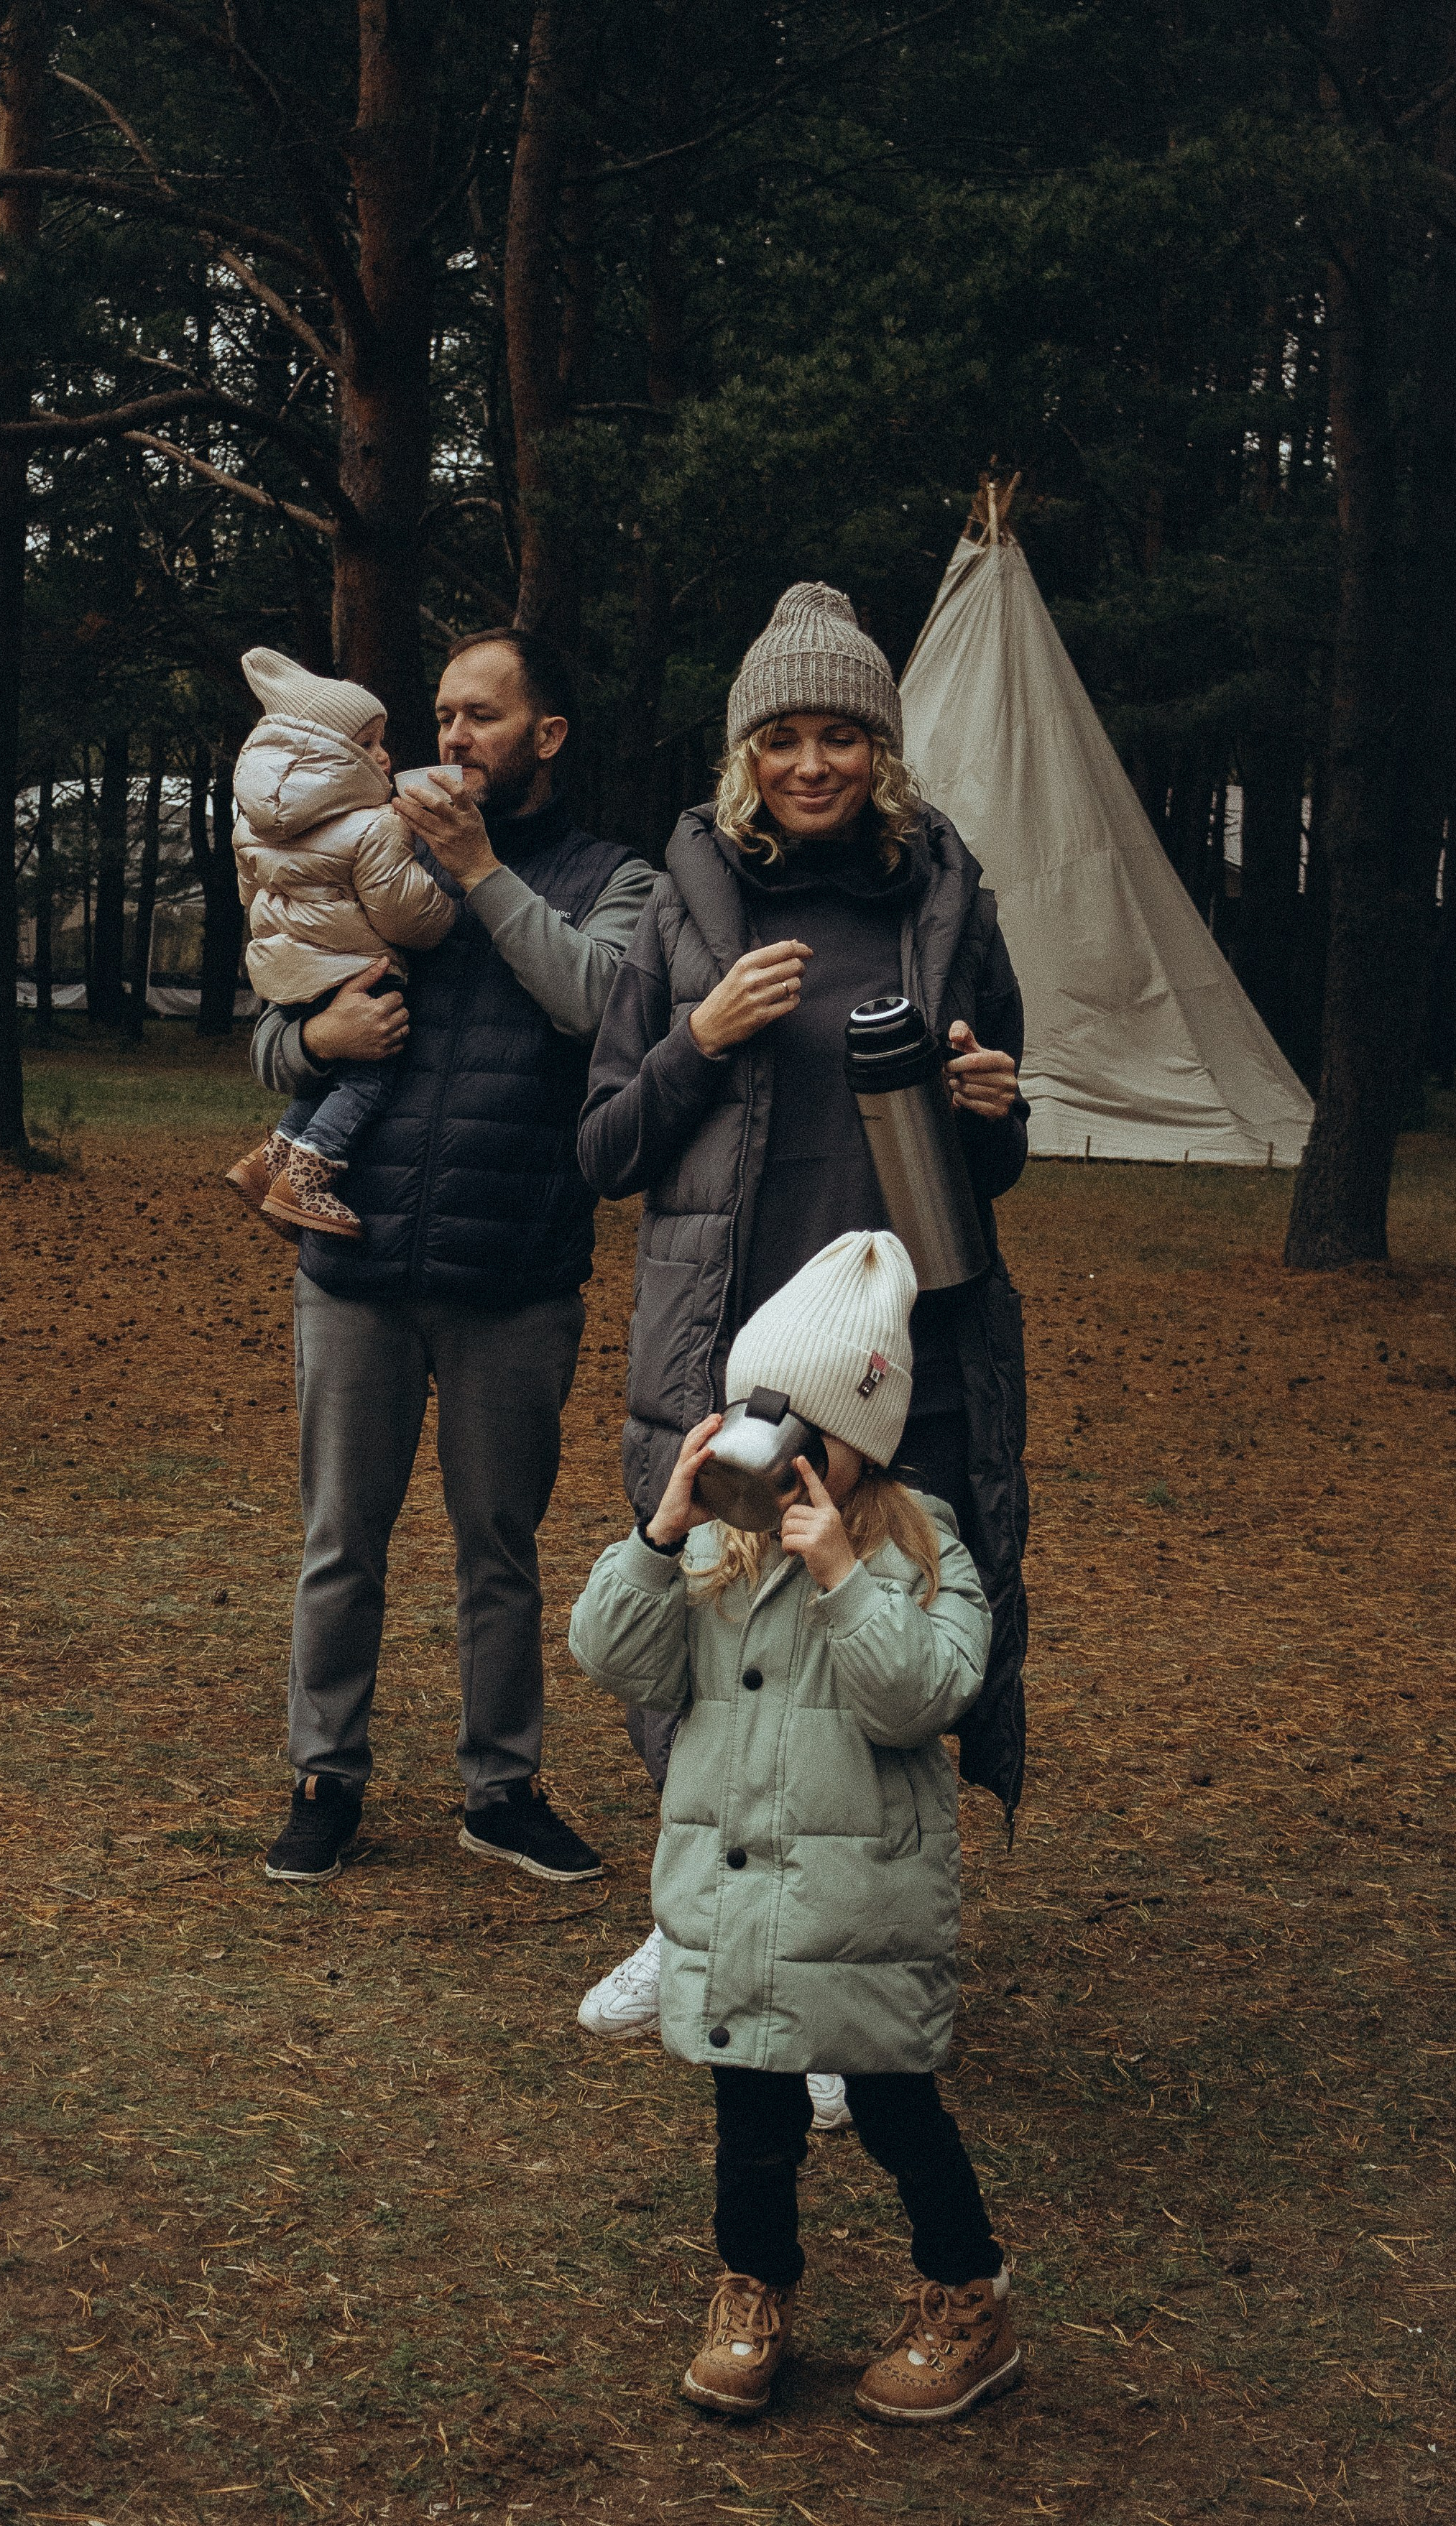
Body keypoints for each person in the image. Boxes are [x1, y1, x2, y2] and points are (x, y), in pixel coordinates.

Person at [573, 581, 1031, 2082]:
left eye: (842, 734)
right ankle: (695, 1926)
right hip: (727, 1337)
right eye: (783, 736)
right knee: (714, 1633)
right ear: (743, 753)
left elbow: (1000, 1148)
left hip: (904, 1352)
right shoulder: (687, 910)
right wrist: (698, 1040)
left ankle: (834, 1978)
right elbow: (606, 1147)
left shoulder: (943, 902)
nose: (812, 763)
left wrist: (995, 1107)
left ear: (882, 753)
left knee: (860, 1625)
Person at [568, 1232, 1022, 2423]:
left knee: (894, 2111)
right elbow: (610, 1658)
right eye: (746, 1415)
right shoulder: (716, 1545)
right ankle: (750, 2289)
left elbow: (924, 1695)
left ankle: (967, 2299)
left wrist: (840, 1579)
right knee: (750, 2120)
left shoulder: (919, 1549)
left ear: (852, 1439)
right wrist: (659, 1535)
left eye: (788, 1423)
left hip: (859, 1914)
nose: (762, 1446)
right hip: (738, 1896)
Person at [252, 628, 656, 1889]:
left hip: (515, 1274)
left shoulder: (613, 877)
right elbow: (268, 1051)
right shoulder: (365, 858)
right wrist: (321, 1033)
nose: (450, 738)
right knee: (340, 1540)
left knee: (500, 1548)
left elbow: (602, 1007)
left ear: (546, 736)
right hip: (353, 1269)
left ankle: (501, 1787)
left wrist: (479, 872)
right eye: (439, 715)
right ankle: (326, 1777)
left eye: (481, 715)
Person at [223, 649, 459, 1239]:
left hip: (287, 973)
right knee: (370, 1077)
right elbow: (406, 918)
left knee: (336, 1073)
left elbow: (250, 895)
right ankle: (308, 1178)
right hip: (356, 966)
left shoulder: (249, 824)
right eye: (369, 743)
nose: (385, 756)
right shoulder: (375, 823)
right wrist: (445, 908)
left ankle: (271, 1159)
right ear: (332, 754)